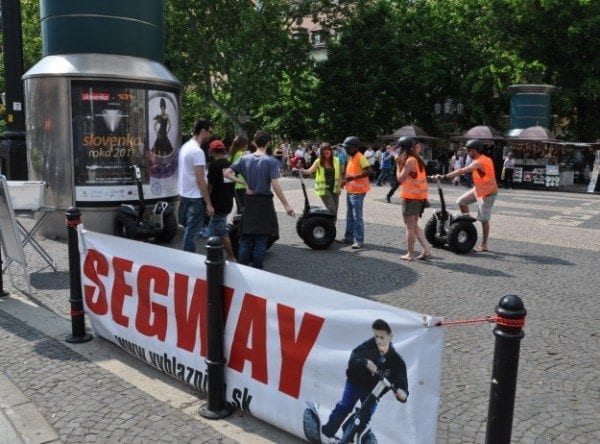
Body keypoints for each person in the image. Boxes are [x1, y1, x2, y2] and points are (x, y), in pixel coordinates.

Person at [321, 319, 408, 441]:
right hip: (355, 384)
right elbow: (353, 358)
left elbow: (402, 384)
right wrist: (365, 362)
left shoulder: (397, 362)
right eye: (376, 336)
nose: (378, 341)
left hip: (373, 392)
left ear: (390, 337)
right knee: (344, 407)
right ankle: (327, 433)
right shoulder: (369, 345)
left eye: (382, 337)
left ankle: (349, 436)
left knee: (364, 416)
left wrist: (403, 393)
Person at [224, 131, 295, 269]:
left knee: (246, 238)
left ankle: (243, 268)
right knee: (261, 240)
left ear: (254, 143)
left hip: (249, 201)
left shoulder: (245, 159)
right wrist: (286, 205)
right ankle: (257, 270)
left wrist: (244, 183)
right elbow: (275, 184)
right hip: (264, 202)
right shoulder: (271, 161)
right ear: (268, 143)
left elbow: (226, 173)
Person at [436, 138, 498, 252]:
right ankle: (467, 225)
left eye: (468, 150)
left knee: (484, 219)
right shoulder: (480, 159)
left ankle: (484, 244)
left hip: (487, 193)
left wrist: (444, 176)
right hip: (478, 189)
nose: (467, 152)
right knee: (461, 201)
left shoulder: (480, 161)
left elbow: (461, 171)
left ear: (475, 150)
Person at [177, 119, 214, 252]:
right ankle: (188, 262)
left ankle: (187, 258)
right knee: (191, 234)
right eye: (209, 132)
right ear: (203, 131)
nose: (210, 135)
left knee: (188, 230)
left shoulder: (185, 147)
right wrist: (209, 203)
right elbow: (200, 180)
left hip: (185, 195)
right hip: (194, 197)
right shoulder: (197, 152)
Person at [395, 137, 431, 261]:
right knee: (414, 225)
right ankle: (426, 249)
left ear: (403, 148)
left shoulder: (410, 160)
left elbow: (400, 179)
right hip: (419, 196)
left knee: (409, 227)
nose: (398, 151)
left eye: (399, 148)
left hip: (411, 197)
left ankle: (410, 254)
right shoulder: (417, 158)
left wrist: (397, 165)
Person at [206, 139, 237, 261]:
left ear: (212, 151)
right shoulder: (230, 165)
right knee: (219, 230)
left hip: (216, 203)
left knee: (217, 232)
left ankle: (230, 257)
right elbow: (231, 184)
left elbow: (210, 186)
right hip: (227, 202)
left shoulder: (214, 166)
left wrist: (207, 202)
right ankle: (223, 256)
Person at [341, 136, 372, 250]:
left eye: (348, 147)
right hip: (351, 190)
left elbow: (369, 171)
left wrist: (353, 177)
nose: (346, 150)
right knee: (349, 215)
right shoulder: (352, 157)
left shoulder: (360, 157)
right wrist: (345, 182)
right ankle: (349, 238)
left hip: (358, 192)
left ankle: (359, 240)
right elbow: (349, 174)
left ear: (354, 147)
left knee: (357, 217)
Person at [298, 142, 342, 220]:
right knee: (332, 210)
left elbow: (339, 174)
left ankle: (331, 228)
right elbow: (309, 171)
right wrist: (302, 170)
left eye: (328, 153)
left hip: (335, 189)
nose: (326, 155)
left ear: (331, 152)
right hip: (324, 189)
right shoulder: (318, 161)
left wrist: (339, 187)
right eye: (324, 153)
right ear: (321, 153)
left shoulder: (337, 160)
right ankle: (327, 227)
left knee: (335, 211)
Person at [228, 135, 249, 213]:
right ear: (243, 144)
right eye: (247, 143)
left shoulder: (233, 154)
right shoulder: (241, 155)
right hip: (242, 185)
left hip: (236, 186)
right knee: (245, 212)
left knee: (241, 211)